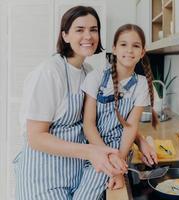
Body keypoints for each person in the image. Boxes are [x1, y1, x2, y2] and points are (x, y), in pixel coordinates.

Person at [14, 6, 155, 200]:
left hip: (76, 170)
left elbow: (108, 117)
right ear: (65, 35)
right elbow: (35, 137)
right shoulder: (49, 73)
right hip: (43, 175)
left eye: (93, 29)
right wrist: (92, 152)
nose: (88, 36)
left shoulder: (88, 72)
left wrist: (140, 141)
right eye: (79, 30)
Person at [73, 24, 158, 199]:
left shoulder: (141, 84)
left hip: (121, 150)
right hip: (94, 147)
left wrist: (117, 165)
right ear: (114, 49)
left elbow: (130, 127)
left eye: (136, 46)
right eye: (123, 44)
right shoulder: (95, 77)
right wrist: (109, 158)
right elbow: (88, 124)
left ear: (142, 52)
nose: (129, 50)